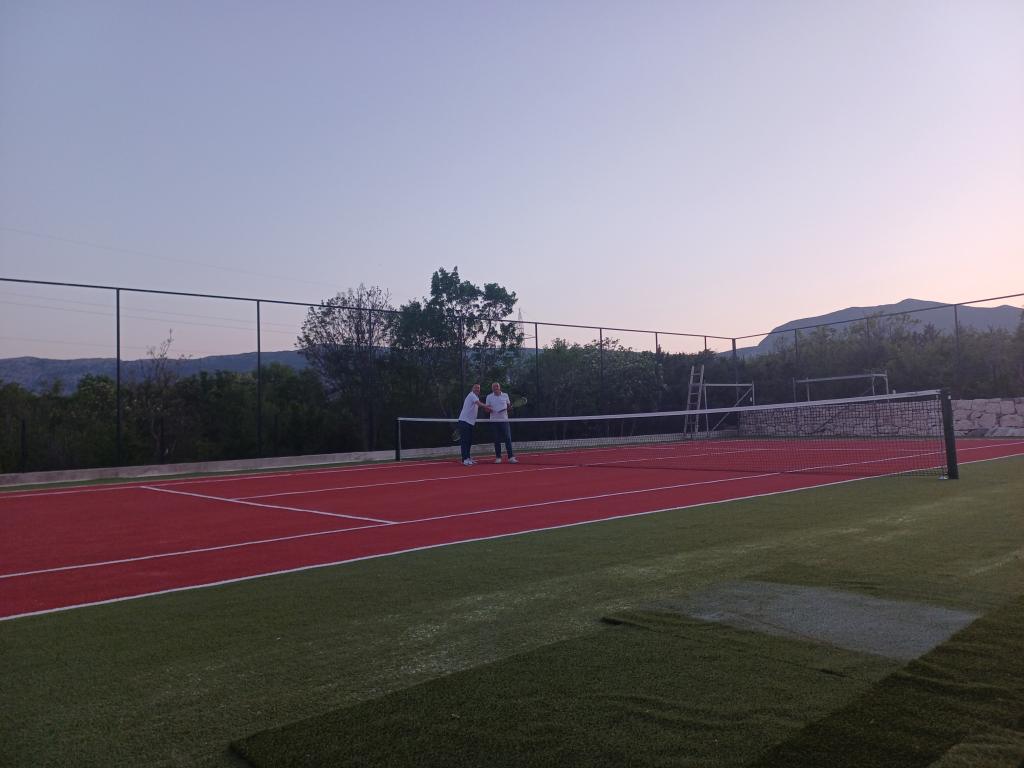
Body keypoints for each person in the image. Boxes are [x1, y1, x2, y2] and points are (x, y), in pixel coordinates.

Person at [457, 383, 490, 465]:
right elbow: (479, 404)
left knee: (469, 441)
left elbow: (478, 405)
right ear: (472, 389)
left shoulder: (476, 397)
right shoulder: (471, 395)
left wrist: (486, 407)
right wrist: (487, 406)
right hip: (464, 421)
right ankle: (464, 459)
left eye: (478, 388)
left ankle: (468, 457)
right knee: (464, 441)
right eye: (476, 387)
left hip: (470, 423)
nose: (477, 389)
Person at [485, 382, 518, 464]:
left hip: (504, 420)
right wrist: (489, 409)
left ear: (499, 387)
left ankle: (511, 457)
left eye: (497, 386)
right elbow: (486, 409)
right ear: (492, 389)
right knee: (496, 439)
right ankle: (498, 457)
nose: (495, 388)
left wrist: (510, 408)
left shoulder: (505, 395)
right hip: (494, 421)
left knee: (508, 438)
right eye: (494, 387)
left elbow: (509, 407)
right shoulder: (489, 397)